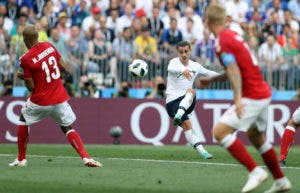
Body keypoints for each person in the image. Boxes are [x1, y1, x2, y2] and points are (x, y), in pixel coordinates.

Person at [200, 4, 291, 193]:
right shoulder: (233, 36)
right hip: (263, 91)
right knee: (256, 137)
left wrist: (238, 98)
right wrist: (213, 79)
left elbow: (233, 70)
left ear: (207, 22)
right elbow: (235, 67)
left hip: (253, 95)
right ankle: (281, 181)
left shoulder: (221, 42)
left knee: (219, 132)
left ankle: (254, 171)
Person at [8, 25, 101, 168]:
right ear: (37, 36)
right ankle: (86, 157)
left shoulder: (26, 59)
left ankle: (21, 159)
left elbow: (31, 87)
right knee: (67, 127)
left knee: (23, 119)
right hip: (58, 97)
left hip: (41, 100)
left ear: (26, 39)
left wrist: (23, 77)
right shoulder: (49, 46)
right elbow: (63, 66)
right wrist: (52, 79)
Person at [165, 40, 218, 159]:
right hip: (172, 103)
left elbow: (208, 73)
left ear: (190, 51)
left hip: (185, 103)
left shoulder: (195, 66)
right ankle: (179, 114)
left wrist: (225, 75)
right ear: (178, 53)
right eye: (181, 52)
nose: (183, 54)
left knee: (191, 93)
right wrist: (182, 70)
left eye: (186, 51)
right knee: (188, 126)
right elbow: (170, 69)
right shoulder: (174, 62)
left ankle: (203, 152)